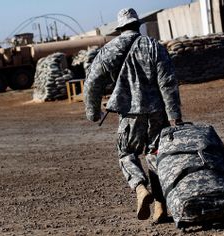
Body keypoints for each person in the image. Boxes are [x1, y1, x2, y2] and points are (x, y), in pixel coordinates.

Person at [84, 8, 182, 223]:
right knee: (155, 155)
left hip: (129, 115)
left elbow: (92, 82)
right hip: (157, 113)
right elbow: (168, 82)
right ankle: (160, 206)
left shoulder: (108, 50)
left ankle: (139, 187)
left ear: (120, 29)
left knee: (126, 153)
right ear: (138, 25)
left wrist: (92, 112)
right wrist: (174, 115)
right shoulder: (154, 47)